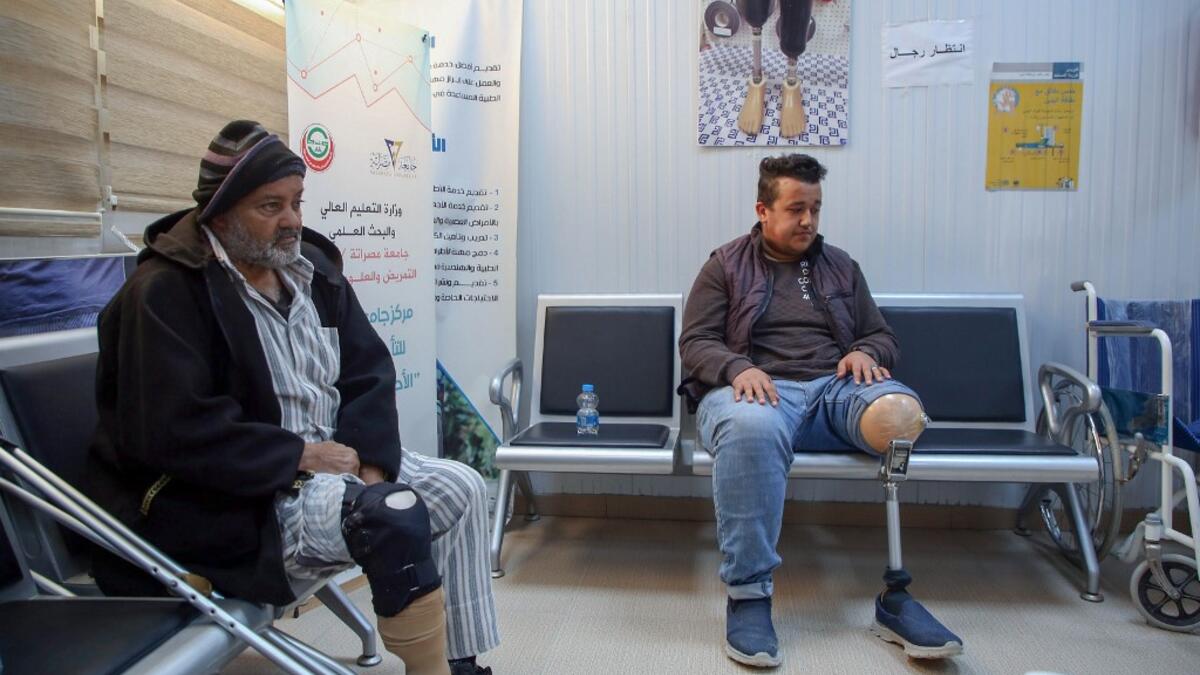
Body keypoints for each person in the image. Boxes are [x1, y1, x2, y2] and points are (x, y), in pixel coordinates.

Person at [87, 120, 498, 675]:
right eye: (271, 206)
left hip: (339, 466)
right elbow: (169, 430)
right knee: (388, 519)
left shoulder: (313, 272)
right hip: (244, 494)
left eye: (297, 202)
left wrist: (371, 469)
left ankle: (461, 665)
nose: (292, 222)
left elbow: (367, 372)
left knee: (462, 487)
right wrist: (302, 458)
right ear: (220, 211)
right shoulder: (165, 294)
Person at [679, 154, 961, 667]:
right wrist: (737, 367)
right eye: (795, 209)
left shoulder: (841, 267)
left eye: (815, 209)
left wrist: (866, 352)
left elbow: (881, 335)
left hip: (835, 391)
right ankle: (748, 596)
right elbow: (695, 341)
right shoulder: (724, 264)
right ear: (763, 210)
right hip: (759, 393)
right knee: (750, 428)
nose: (808, 221)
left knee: (901, 416)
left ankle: (895, 594)